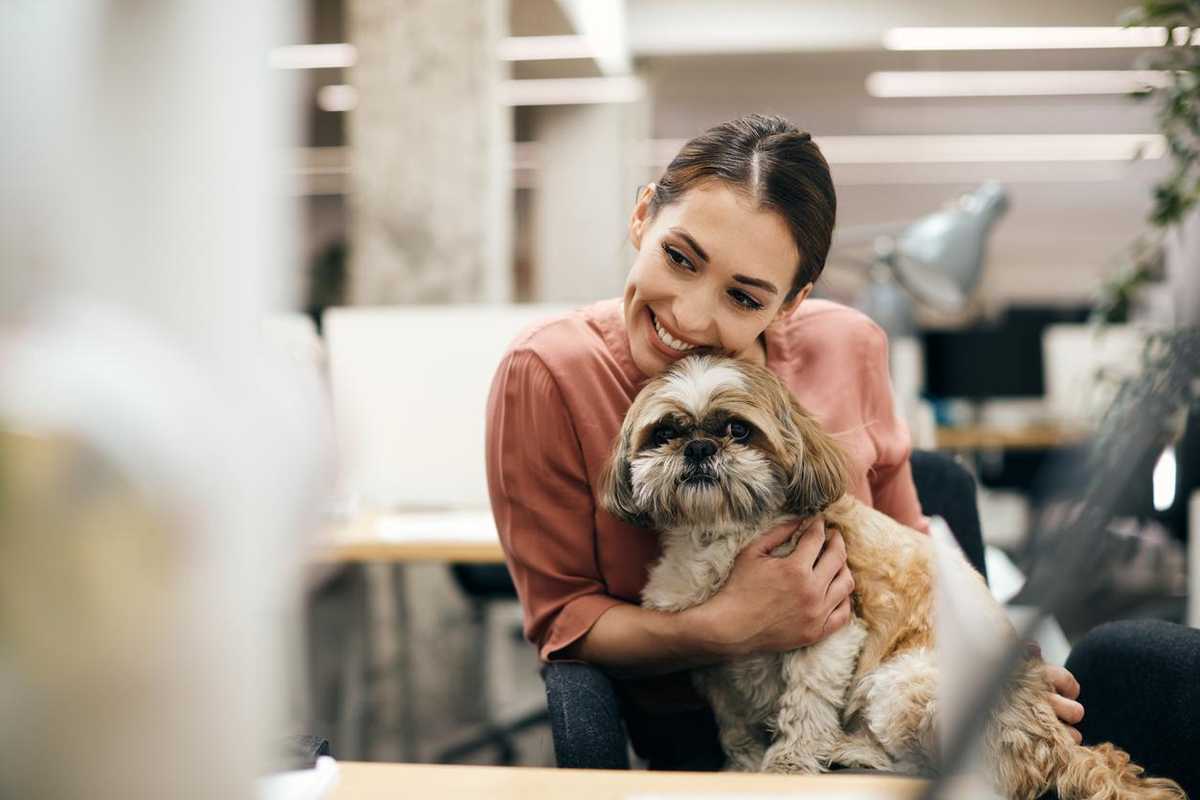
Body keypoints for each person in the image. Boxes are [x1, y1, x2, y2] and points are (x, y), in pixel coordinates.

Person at [484, 114, 1085, 771]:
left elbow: (909, 549)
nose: (690, 315)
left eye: (744, 298)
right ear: (642, 216)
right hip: (701, 736)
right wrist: (722, 628)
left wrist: (994, 661)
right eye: (680, 258)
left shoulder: (849, 345)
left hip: (883, 708)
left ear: (792, 302)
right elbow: (563, 622)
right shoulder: (548, 372)